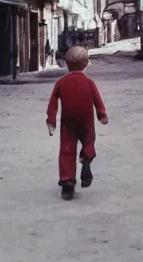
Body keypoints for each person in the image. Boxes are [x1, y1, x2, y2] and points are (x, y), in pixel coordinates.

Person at [46, 46, 108, 200]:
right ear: (86, 64)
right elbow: (98, 101)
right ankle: (86, 157)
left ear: (67, 64)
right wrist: (102, 115)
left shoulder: (61, 83)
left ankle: (67, 182)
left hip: (68, 122)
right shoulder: (89, 83)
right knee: (89, 142)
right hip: (86, 122)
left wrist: (51, 120)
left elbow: (52, 102)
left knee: (67, 149)